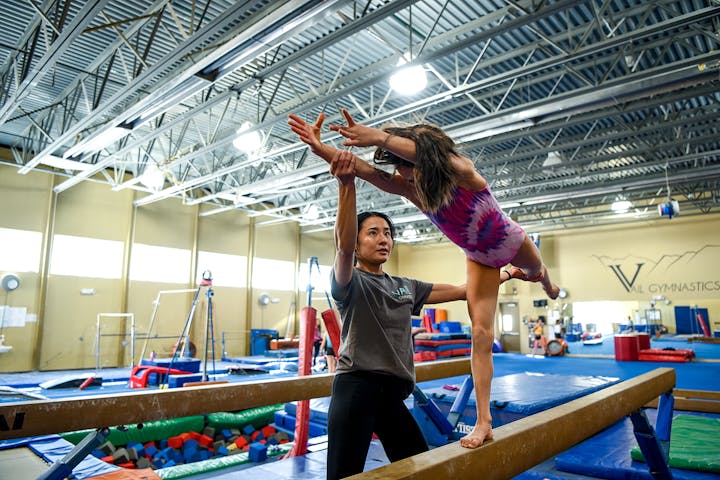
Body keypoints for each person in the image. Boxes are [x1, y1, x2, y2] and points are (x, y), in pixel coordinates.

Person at [288, 110, 560, 449]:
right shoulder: (413, 192)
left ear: (423, 161)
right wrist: (319, 148)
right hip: (480, 259)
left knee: (537, 274)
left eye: (405, 164)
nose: (401, 174)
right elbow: (360, 169)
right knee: (481, 333)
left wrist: (380, 137)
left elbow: (441, 160)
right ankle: (484, 421)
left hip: (513, 242)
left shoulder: (464, 175)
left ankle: (548, 284)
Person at [325, 148, 469, 479]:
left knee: (419, 467)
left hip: (391, 395)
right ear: (359, 243)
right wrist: (347, 185)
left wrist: (505, 272)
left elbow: (462, 291)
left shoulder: (404, 285)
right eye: (372, 233)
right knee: (344, 475)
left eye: (388, 233)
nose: (383, 239)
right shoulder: (350, 281)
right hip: (357, 389)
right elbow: (343, 248)